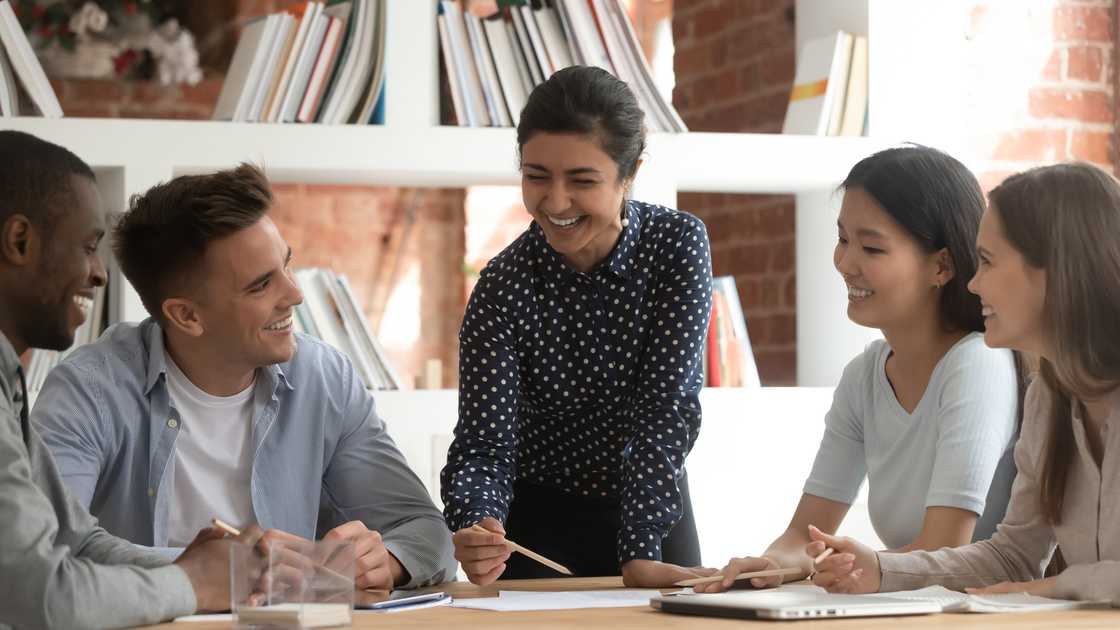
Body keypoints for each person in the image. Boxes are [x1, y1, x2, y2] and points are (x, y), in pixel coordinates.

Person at [33, 163, 456, 591]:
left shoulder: (324, 379)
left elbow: (424, 530)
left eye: (286, 267)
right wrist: (219, 571)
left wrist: (387, 561)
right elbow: (47, 545)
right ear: (187, 315)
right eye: (261, 286)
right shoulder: (89, 390)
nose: (295, 295)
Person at [697, 146, 1021, 593]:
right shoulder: (863, 376)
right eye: (843, 239)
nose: (845, 263)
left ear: (941, 265)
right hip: (908, 610)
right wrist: (770, 564)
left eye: (871, 247)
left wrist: (846, 566)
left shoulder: (977, 363)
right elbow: (802, 536)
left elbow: (946, 546)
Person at [440, 65, 716, 588]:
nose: (556, 201)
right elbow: (483, 441)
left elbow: (667, 406)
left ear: (630, 171)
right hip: (535, 522)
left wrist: (638, 546)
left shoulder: (677, 246)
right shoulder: (502, 286)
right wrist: (476, 522)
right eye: (536, 175)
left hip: (652, 509)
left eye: (583, 180)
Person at [807, 162, 1120, 607]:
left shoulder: (984, 367)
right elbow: (1014, 558)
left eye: (988, 262)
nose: (973, 282)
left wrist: (1064, 584)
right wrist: (879, 569)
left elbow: (1043, 579)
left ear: (1054, 269)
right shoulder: (1050, 394)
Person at [0, 130, 263, 629]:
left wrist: (212, 568)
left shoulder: (7, 376)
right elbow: (42, 596)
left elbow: (75, 540)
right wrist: (192, 584)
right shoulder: (84, 382)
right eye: (88, 246)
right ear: (20, 242)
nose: (100, 274)